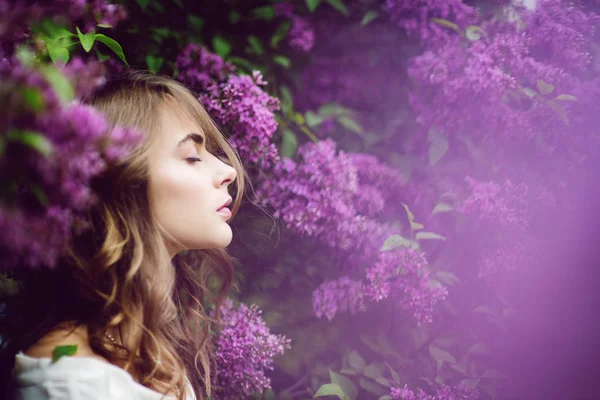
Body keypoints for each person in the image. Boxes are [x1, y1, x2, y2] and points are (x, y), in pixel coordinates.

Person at [0, 70, 247, 399]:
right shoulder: (70, 385)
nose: (227, 171)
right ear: (120, 181)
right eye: (192, 157)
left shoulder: (146, 351)